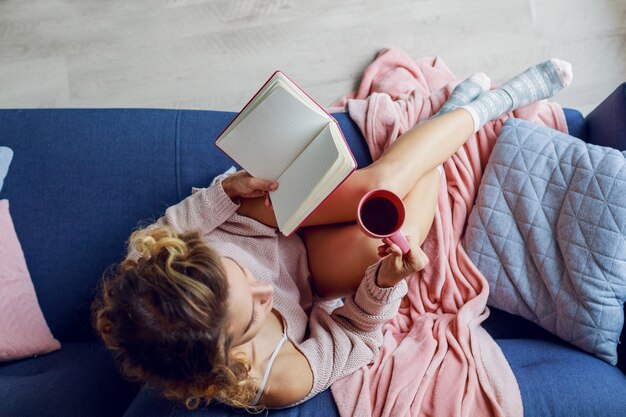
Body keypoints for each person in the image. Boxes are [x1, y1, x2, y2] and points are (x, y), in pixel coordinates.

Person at [92, 59, 572, 410]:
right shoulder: (279, 378)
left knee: (377, 186)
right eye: (255, 311)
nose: (264, 291)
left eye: (232, 273)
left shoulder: (149, 267)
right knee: (394, 221)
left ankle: (492, 104)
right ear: (226, 357)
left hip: (259, 220)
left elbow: (181, 219)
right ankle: (447, 120)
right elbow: (357, 335)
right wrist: (383, 283)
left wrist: (228, 192)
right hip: (311, 277)